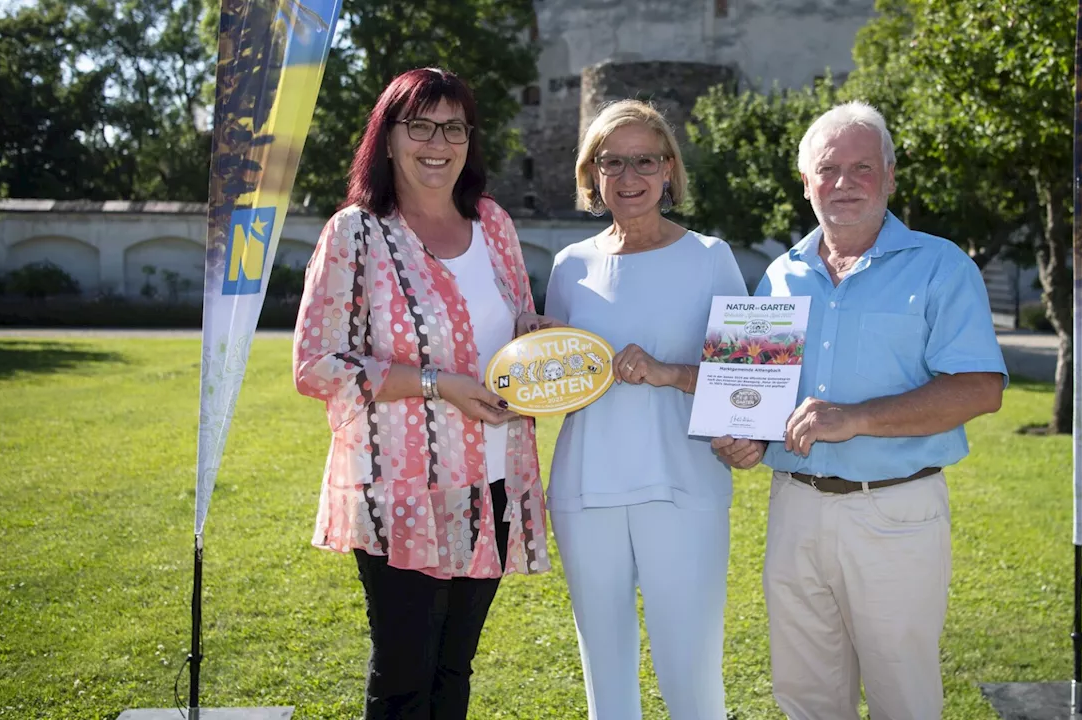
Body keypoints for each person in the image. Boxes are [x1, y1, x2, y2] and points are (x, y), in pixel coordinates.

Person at [712, 101, 1008, 720]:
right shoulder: (779, 275)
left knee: (903, 694)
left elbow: (981, 387)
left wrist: (857, 417)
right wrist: (742, 438)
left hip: (894, 510)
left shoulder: (941, 265)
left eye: (862, 168)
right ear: (806, 182)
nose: (844, 183)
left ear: (891, 176)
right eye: (828, 169)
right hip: (795, 507)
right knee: (806, 695)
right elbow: (759, 396)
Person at [292, 67, 555, 720]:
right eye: (420, 125)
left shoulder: (492, 223)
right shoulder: (356, 233)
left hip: (494, 479)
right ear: (387, 139)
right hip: (401, 487)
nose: (437, 142)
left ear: (470, 140)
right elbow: (316, 365)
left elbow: (519, 321)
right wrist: (440, 386)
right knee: (404, 677)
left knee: (453, 670)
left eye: (453, 127)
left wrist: (537, 349)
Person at [542, 99, 747, 720]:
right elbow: (556, 381)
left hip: (684, 486)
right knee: (605, 677)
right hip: (585, 489)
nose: (628, 178)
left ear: (668, 171)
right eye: (611, 162)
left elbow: (750, 380)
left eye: (644, 161)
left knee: (691, 674)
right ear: (592, 174)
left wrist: (668, 373)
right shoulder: (568, 266)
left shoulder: (711, 257)